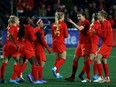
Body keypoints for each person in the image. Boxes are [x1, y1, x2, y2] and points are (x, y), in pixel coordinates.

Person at [64, 11, 91, 82]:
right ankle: (72, 77)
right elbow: (80, 28)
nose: (78, 18)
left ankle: (88, 78)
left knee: (85, 61)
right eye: (78, 16)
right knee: (75, 59)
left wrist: (72, 22)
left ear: (84, 16)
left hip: (86, 43)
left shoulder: (86, 22)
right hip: (80, 43)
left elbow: (80, 29)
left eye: (80, 16)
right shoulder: (81, 22)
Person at [16, 17, 43, 84]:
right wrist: (37, 36)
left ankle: (16, 77)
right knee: (35, 64)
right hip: (28, 48)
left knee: (20, 64)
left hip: (22, 47)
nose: (31, 20)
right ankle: (35, 80)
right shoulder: (29, 28)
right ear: (28, 21)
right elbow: (33, 39)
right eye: (30, 20)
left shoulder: (23, 27)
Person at [78, 13, 101, 81]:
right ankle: (84, 74)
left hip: (91, 44)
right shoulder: (97, 24)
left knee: (95, 59)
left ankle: (94, 75)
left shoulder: (91, 25)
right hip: (94, 44)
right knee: (92, 60)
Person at [27, 18, 51, 83]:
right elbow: (43, 41)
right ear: (38, 23)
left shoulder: (34, 30)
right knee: (42, 64)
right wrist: (48, 49)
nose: (43, 23)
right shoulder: (40, 30)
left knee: (38, 64)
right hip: (40, 49)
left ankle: (40, 78)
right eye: (42, 22)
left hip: (34, 49)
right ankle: (31, 75)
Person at [92, 10, 113, 83]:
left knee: (97, 58)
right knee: (104, 61)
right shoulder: (106, 22)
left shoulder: (104, 23)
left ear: (102, 16)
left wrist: (96, 32)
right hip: (108, 44)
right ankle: (107, 78)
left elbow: (104, 35)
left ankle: (100, 77)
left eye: (99, 15)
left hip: (106, 44)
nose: (98, 16)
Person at [0, 15, 21, 84]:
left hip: (6, 46)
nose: (19, 21)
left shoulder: (10, 26)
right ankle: (13, 78)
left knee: (5, 62)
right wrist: (15, 44)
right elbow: (10, 35)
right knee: (19, 61)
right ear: (15, 21)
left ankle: (1, 78)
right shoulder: (13, 27)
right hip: (12, 46)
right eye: (18, 20)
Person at [51, 12, 68, 78]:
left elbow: (52, 35)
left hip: (54, 43)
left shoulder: (54, 24)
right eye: (63, 16)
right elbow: (66, 35)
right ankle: (55, 68)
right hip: (60, 43)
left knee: (57, 58)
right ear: (61, 17)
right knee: (63, 59)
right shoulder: (64, 24)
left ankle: (57, 74)